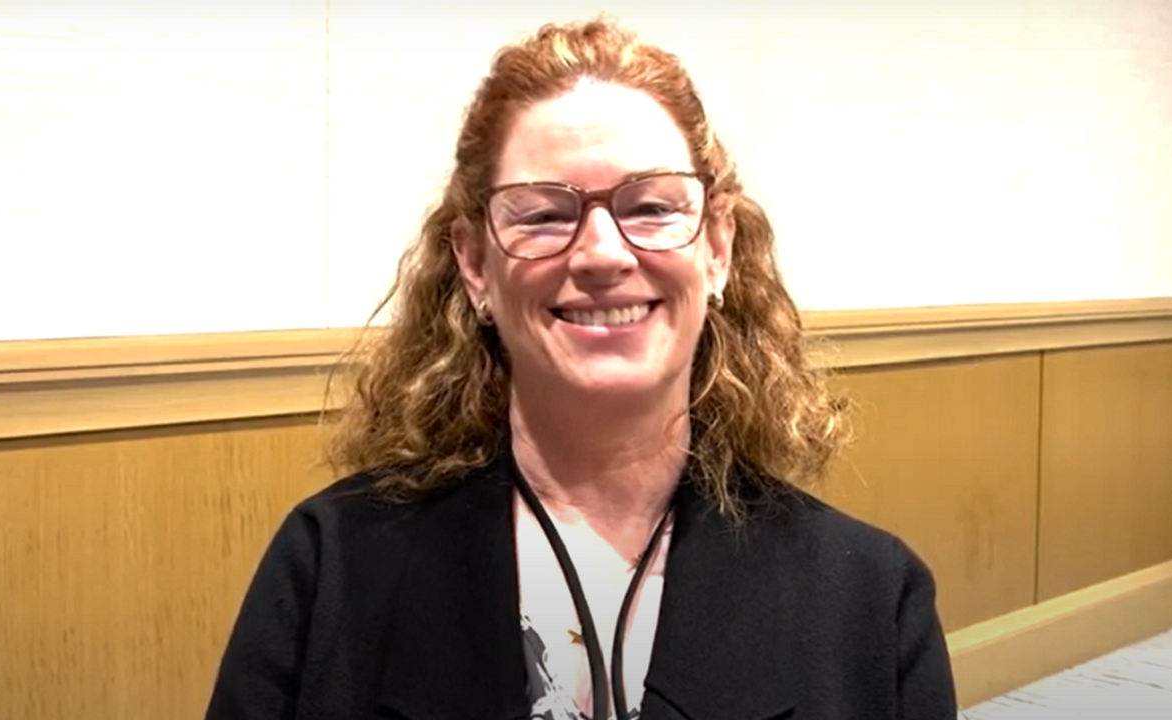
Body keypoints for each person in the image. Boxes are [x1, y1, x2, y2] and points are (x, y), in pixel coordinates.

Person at [205, 18, 956, 720]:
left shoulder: (872, 597)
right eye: (542, 214)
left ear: (718, 250)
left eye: (652, 207)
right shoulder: (329, 564)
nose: (602, 253)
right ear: (474, 265)